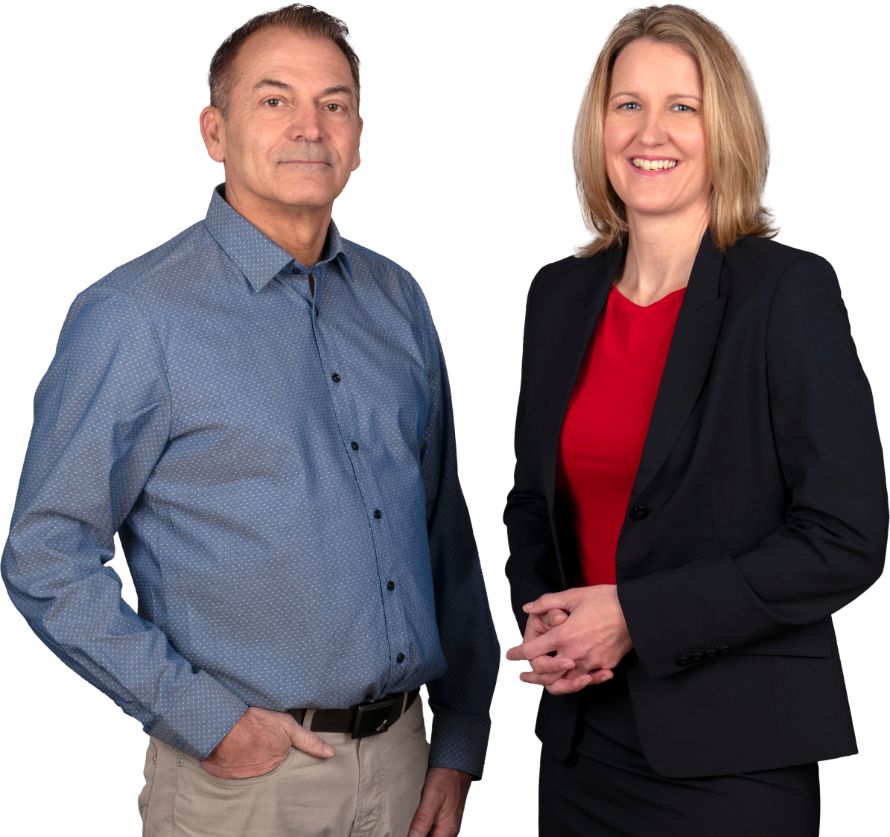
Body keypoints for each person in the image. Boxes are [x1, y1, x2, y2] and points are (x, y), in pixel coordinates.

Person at [1, 5, 498, 836]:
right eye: (274, 100)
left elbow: (442, 529)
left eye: (334, 104)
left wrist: (461, 735)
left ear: (359, 137)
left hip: (406, 769)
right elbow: (44, 552)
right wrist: (208, 720)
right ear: (215, 131)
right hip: (244, 784)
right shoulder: (136, 316)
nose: (310, 127)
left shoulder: (397, 300)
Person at [503, 4, 887, 835]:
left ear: (726, 129)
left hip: (735, 762)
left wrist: (636, 618)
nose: (652, 132)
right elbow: (533, 502)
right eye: (628, 104)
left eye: (683, 106)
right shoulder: (558, 296)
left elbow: (846, 535)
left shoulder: (786, 293)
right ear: (600, 126)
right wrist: (550, 620)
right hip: (582, 750)